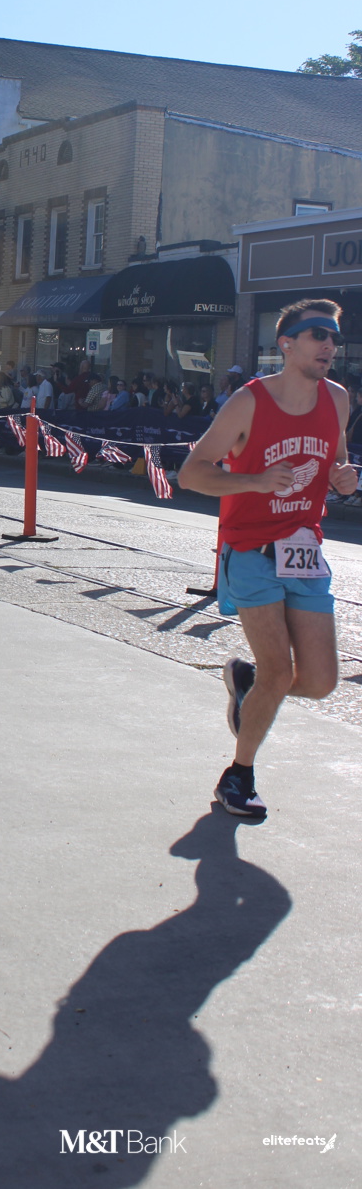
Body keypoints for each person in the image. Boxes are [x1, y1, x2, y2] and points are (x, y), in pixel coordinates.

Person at [178, 299, 357, 820]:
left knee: (320, 682)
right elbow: (191, 473)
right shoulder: (249, 402)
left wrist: (343, 478)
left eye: (334, 336)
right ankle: (238, 777)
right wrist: (255, 480)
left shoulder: (338, 399)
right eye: (318, 334)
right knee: (280, 671)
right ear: (286, 344)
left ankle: (249, 683)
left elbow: (337, 462)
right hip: (251, 550)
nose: (329, 345)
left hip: (304, 551)